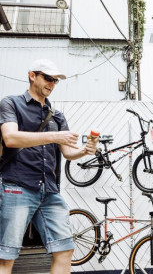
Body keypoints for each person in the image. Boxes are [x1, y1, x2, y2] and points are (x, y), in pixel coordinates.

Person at [0, 59, 97, 274]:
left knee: (65, 249)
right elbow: (10, 138)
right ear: (32, 75)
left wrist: (85, 150)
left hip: (49, 192)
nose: (52, 84)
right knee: (6, 256)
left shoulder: (57, 116)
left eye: (55, 80)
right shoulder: (11, 103)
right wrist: (54, 135)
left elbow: (68, 152)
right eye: (47, 78)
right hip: (17, 186)